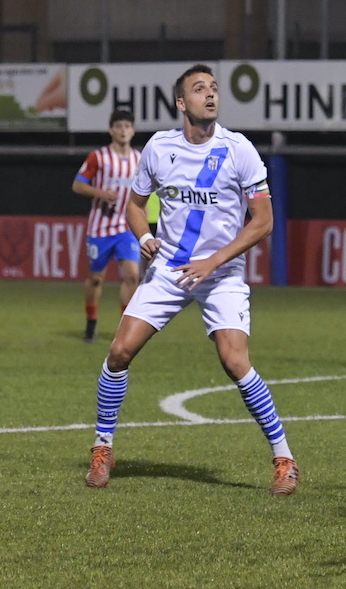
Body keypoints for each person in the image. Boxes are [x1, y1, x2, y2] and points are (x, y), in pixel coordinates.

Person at [84, 64, 300, 496]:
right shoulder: (159, 148)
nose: (211, 95)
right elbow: (134, 204)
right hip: (169, 269)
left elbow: (264, 222)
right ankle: (102, 448)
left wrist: (214, 262)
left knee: (235, 361)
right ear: (182, 103)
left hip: (222, 274)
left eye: (214, 88)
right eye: (200, 89)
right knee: (119, 351)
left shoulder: (239, 150)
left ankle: (284, 460)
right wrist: (144, 235)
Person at [73, 109, 142, 343]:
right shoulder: (98, 157)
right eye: (119, 126)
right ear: (111, 130)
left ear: (132, 131)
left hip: (127, 228)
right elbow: (78, 185)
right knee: (96, 278)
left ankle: (125, 330)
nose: (123, 130)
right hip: (100, 228)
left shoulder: (139, 159)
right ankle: (91, 323)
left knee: (133, 276)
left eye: (127, 126)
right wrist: (100, 193)